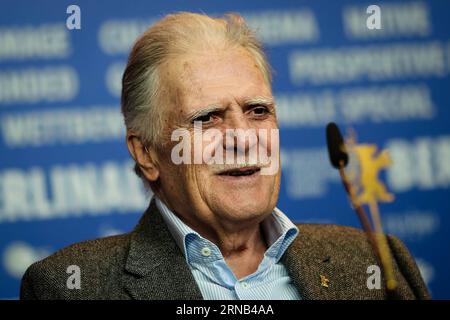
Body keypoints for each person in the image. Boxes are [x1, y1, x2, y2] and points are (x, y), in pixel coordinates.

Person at [20, 12, 430, 300]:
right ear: (146, 153)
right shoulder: (72, 286)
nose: (243, 138)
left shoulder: (375, 261)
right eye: (208, 118)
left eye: (257, 111)